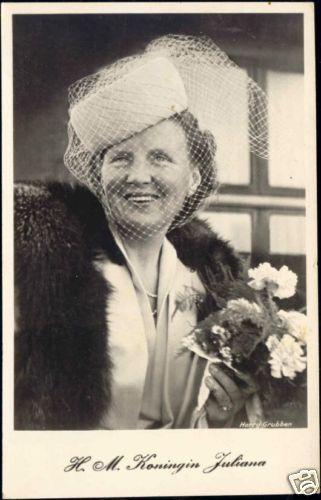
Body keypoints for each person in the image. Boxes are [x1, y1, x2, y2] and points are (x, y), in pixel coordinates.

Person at [14, 35, 268, 430]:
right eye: (121, 158)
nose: (139, 176)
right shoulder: (41, 274)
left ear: (194, 175)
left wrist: (216, 422)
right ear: (98, 175)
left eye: (160, 157)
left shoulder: (210, 286)